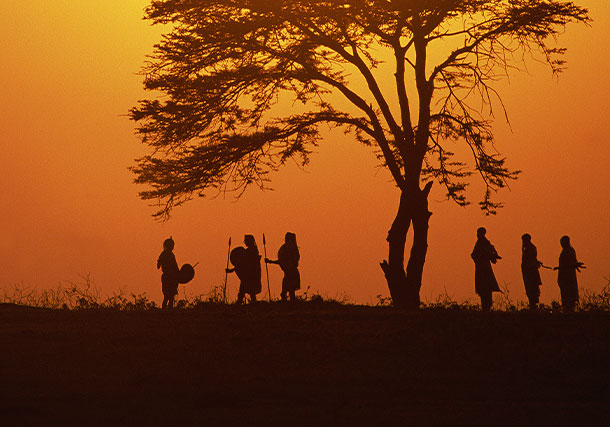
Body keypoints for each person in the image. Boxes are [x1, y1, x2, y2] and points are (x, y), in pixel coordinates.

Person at [471, 227, 502, 311]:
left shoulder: (484, 243)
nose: (477, 235)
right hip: (481, 268)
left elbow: (489, 255)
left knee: (486, 288)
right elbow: (474, 255)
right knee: (483, 289)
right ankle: (485, 307)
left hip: (484, 269)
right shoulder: (481, 243)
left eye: (478, 233)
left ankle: (486, 307)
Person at [227, 234, 262, 304]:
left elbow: (244, 263)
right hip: (250, 273)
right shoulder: (251, 250)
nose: (245, 242)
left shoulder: (251, 251)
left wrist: (232, 269)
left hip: (250, 274)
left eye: (246, 241)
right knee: (246, 289)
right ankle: (247, 302)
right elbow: (242, 263)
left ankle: (243, 302)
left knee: (247, 288)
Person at [265, 232, 301, 301]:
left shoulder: (293, 250)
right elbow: (281, 261)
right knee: (286, 291)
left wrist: (271, 261)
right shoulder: (284, 249)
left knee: (290, 291)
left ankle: (290, 306)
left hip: (292, 273)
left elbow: (291, 261)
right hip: (288, 273)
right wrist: (270, 261)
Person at [554, 235, 585, 312]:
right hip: (563, 276)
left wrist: (562, 267)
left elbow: (571, 263)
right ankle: (567, 309)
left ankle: (570, 310)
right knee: (565, 294)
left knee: (569, 294)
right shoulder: (565, 251)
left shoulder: (570, 251)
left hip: (568, 277)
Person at [521, 233, 543, 309]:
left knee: (532, 289)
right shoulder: (527, 248)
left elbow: (530, 260)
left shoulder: (530, 248)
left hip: (531, 273)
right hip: (528, 272)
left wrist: (534, 263)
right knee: (530, 289)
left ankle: (533, 306)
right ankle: (532, 306)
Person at [157, 237, 179, 309]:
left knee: (167, 296)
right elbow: (175, 266)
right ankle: (168, 311)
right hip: (170, 277)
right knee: (170, 297)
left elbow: (158, 265)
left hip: (167, 276)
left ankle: (166, 311)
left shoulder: (163, 254)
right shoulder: (170, 255)